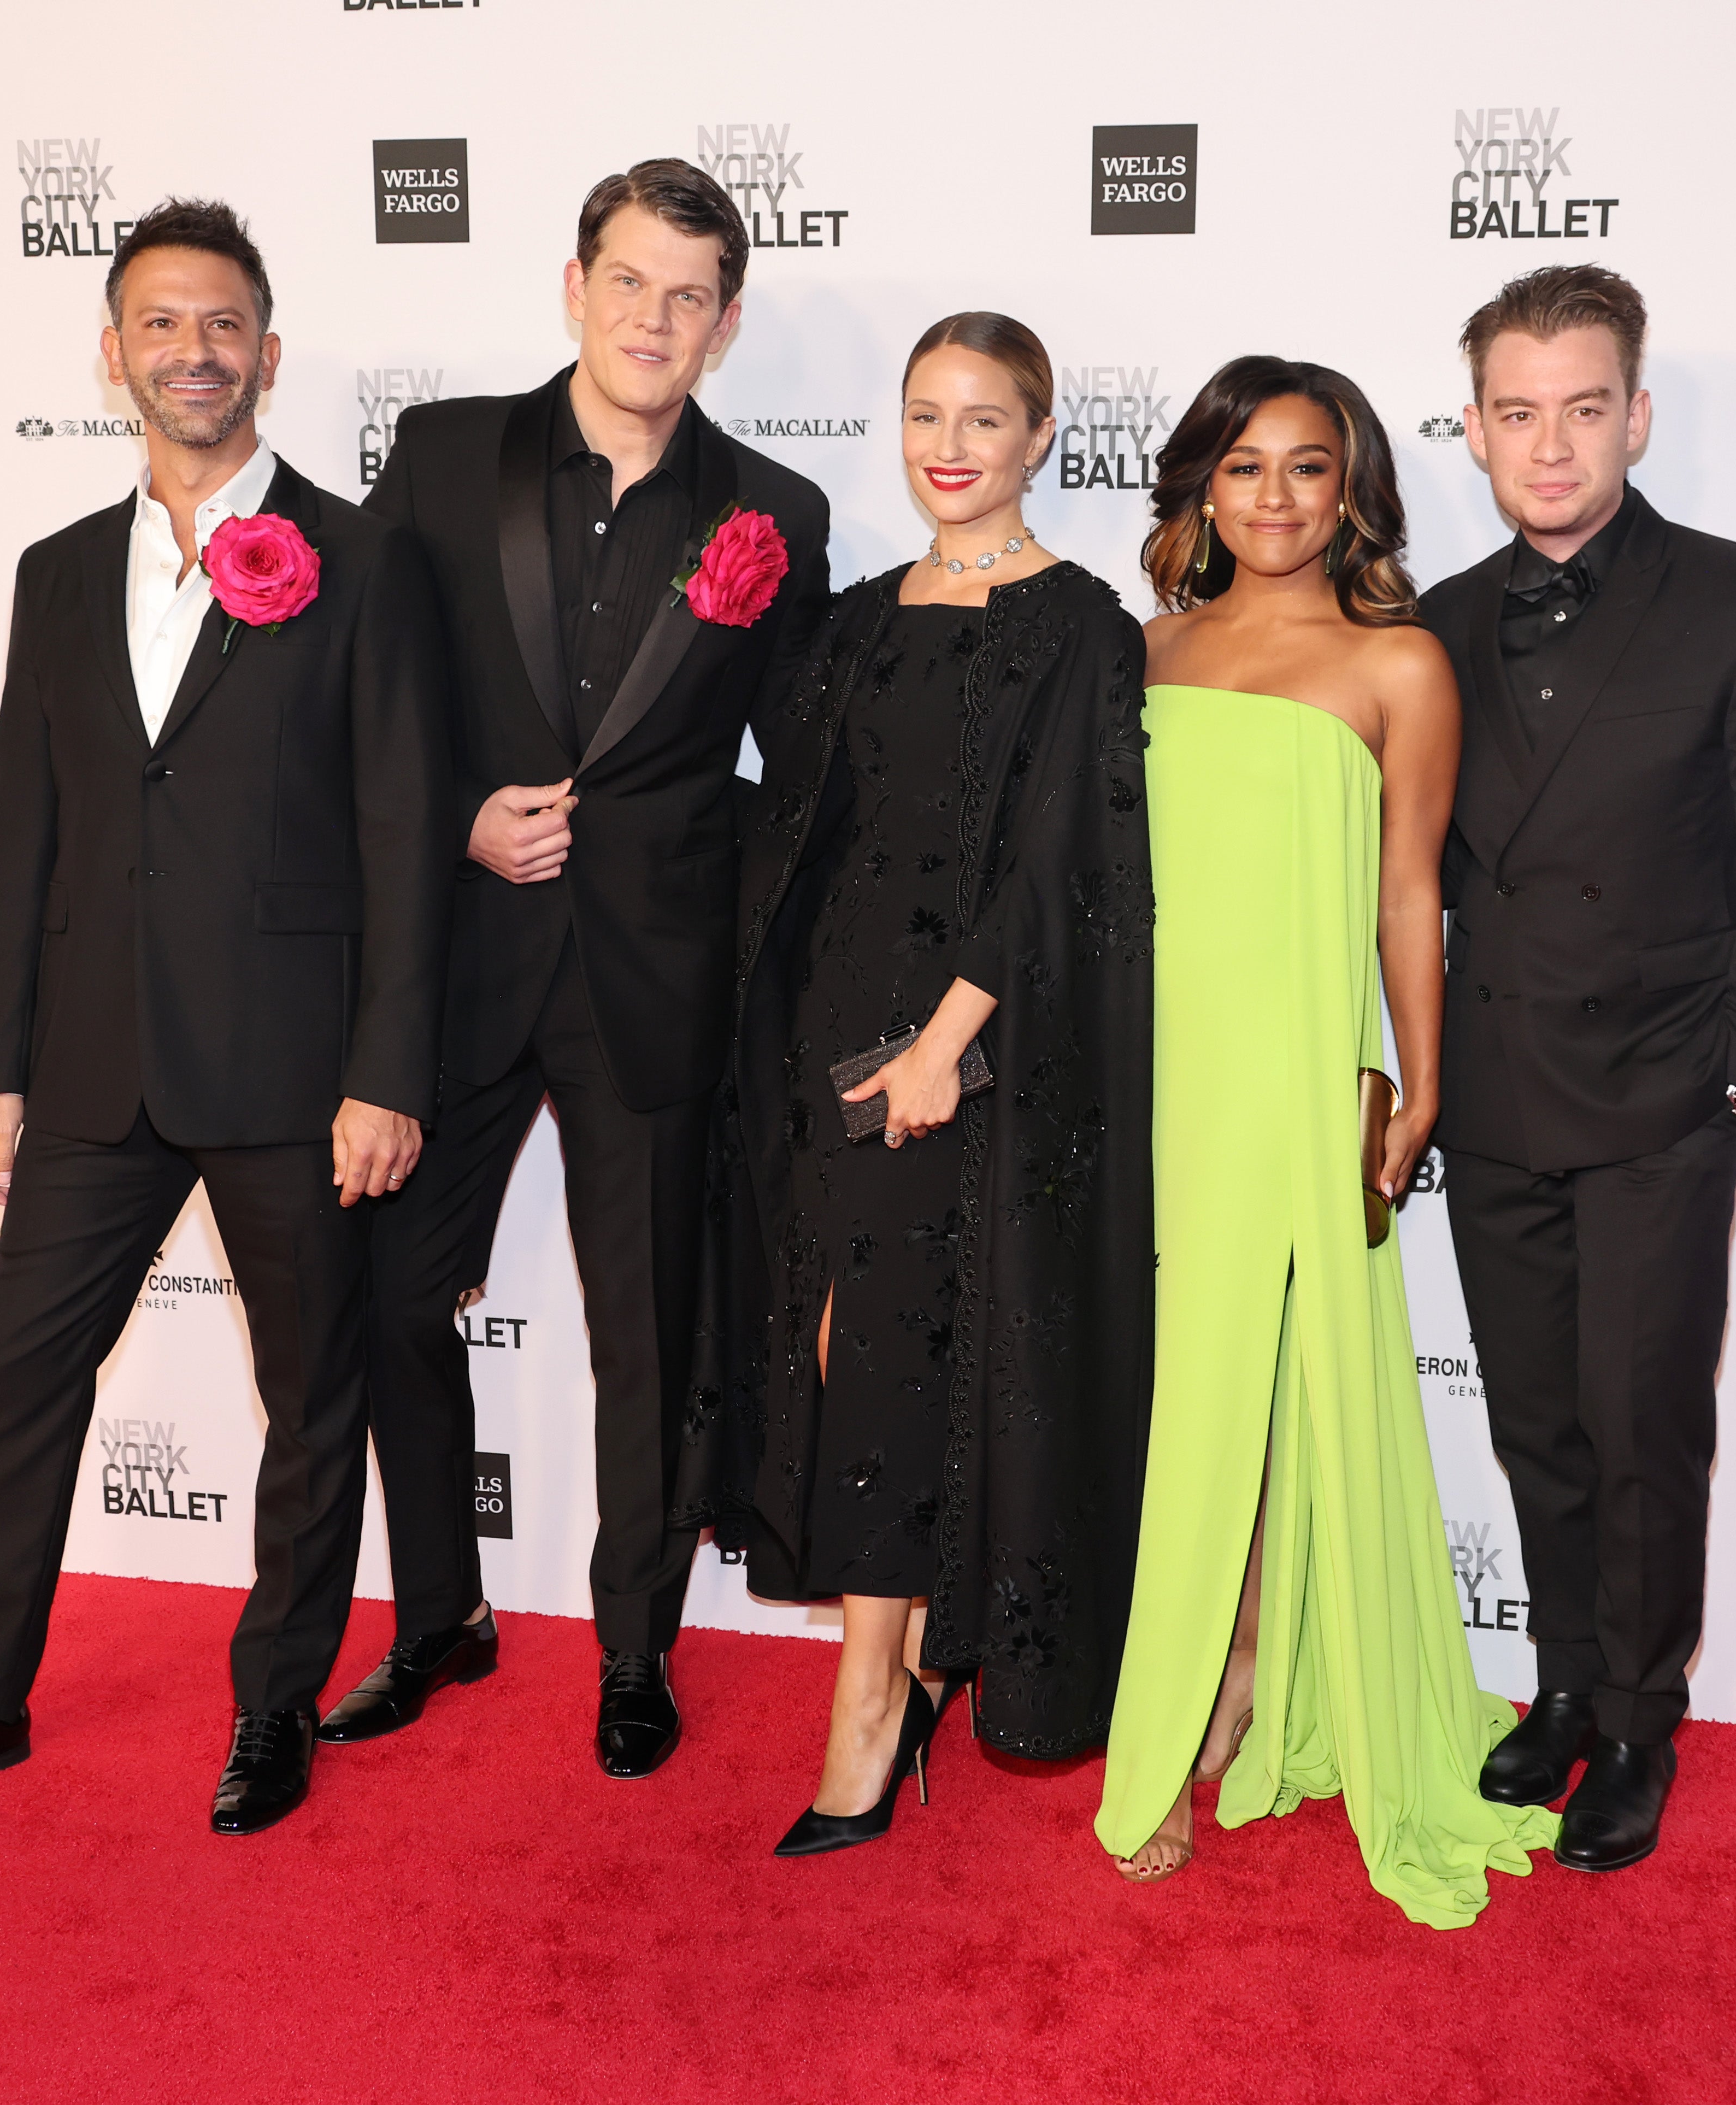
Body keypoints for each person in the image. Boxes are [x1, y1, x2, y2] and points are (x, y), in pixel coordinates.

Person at [0, 199, 448, 1837]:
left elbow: (401, 835)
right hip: (91, 1059)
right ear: (113, 356)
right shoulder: (58, 571)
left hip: (296, 1065)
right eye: (160, 324)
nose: (194, 352)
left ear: (271, 355)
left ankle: (274, 1702)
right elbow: (33, 828)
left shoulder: (364, 559)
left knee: (311, 1397)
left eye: (222, 324)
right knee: (16, 1374)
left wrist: (384, 1069)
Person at [344, 160, 830, 1778]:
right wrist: (454, 826)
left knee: (651, 1336)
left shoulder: (775, 513)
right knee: (392, 1294)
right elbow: (372, 706)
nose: (655, 317)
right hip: (463, 960)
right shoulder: (439, 454)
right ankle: (437, 1616)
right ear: (574, 286)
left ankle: (636, 1648)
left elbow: (803, 763)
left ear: (729, 322)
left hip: (653, 981)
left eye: (689, 294)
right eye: (630, 281)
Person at [1092, 357, 1556, 1927]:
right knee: (1169, 1402)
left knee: (1263, 1390)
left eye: (1308, 468)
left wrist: (1414, 1080)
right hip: (1144, 1076)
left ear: (1351, 487)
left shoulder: (1400, 665)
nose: (1274, 499)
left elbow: (1405, 892)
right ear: (1199, 489)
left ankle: (1185, 1730)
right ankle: (1219, 1670)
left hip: (1291, 1077)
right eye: (1243, 468)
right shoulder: (1142, 651)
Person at [690, 313, 1154, 1855]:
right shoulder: (861, 616)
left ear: (1038, 440)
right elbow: (792, 811)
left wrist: (947, 1042)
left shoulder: (1082, 622)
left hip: (959, 1048)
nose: (949, 444)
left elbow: (1057, 861)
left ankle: (869, 1714)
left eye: (984, 418)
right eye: (923, 415)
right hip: (827, 1028)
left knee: (881, 1358)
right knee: (835, 1350)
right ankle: (897, 1666)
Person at [1422, 264, 1736, 1872]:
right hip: (1497, 1088)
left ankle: (1638, 1721)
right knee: (1536, 1421)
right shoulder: (1435, 625)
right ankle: (1555, 1686)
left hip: (1665, 1094)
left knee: (1638, 1421)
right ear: (1471, 430)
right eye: (1518, 413)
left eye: (1583, 410)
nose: (1550, 447)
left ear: (1637, 418)